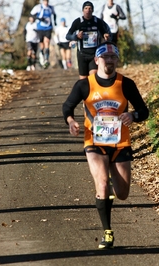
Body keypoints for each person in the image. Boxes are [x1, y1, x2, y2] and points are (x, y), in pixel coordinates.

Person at [62, 41, 149, 249]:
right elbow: (67, 106)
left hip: (121, 143)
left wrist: (132, 115)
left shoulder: (126, 84)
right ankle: (107, 232)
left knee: (122, 193)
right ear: (97, 59)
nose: (109, 60)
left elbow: (144, 111)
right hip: (95, 142)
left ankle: (110, 182)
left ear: (116, 60)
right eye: (105, 57)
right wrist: (71, 122)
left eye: (113, 57)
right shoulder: (85, 84)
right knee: (101, 183)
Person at [66, 1, 111, 79]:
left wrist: (105, 35)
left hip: (94, 54)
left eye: (90, 8)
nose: (88, 10)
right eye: (86, 8)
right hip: (82, 54)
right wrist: (76, 36)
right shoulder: (78, 22)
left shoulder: (97, 21)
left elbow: (105, 32)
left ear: (92, 10)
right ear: (83, 10)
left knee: (93, 77)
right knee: (83, 80)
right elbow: (68, 36)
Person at [30, 0, 57, 69]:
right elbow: (31, 15)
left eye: (47, 1)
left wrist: (55, 22)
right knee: (41, 45)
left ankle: (46, 59)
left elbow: (54, 14)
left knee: (47, 42)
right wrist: (39, 18)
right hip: (40, 28)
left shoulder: (51, 7)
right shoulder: (38, 7)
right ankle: (42, 54)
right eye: (45, 1)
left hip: (48, 28)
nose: (46, 2)